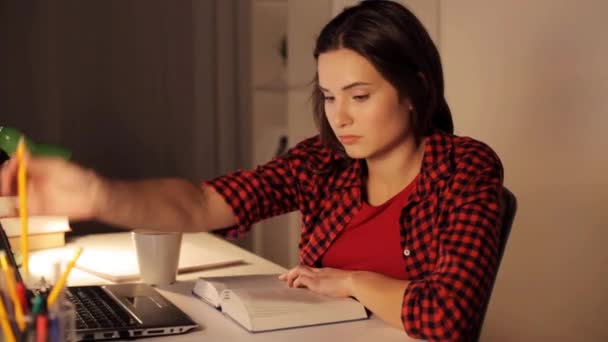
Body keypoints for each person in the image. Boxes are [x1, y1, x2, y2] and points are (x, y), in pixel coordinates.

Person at [0, 1, 503, 340]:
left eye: (360, 96)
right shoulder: (322, 162)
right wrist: (96, 194)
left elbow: (448, 316)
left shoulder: (464, 168)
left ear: (414, 90)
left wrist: (351, 281)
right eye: (328, 96)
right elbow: (202, 204)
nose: (339, 116)